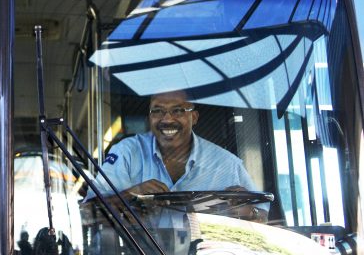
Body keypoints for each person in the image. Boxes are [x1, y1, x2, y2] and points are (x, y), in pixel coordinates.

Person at [86, 90, 267, 222]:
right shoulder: (127, 153)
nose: (167, 119)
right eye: (157, 111)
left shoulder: (226, 165)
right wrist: (132, 195)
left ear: (194, 117)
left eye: (178, 110)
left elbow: (264, 219)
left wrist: (250, 212)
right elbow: (87, 214)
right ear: (149, 118)